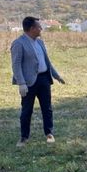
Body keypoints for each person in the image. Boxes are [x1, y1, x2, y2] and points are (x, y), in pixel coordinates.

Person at [11, 16, 65, 147]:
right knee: (27, 110)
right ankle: (24, 137)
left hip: (44, 79)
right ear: (31, 28)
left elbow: (47, 61)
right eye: (39, 27)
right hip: (28, 82)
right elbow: (16, 65)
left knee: (47, 108)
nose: (41, 29)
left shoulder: (40, 42)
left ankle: (49, 133)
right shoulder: (19, 43)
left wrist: (57, 76)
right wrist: (21, 83)